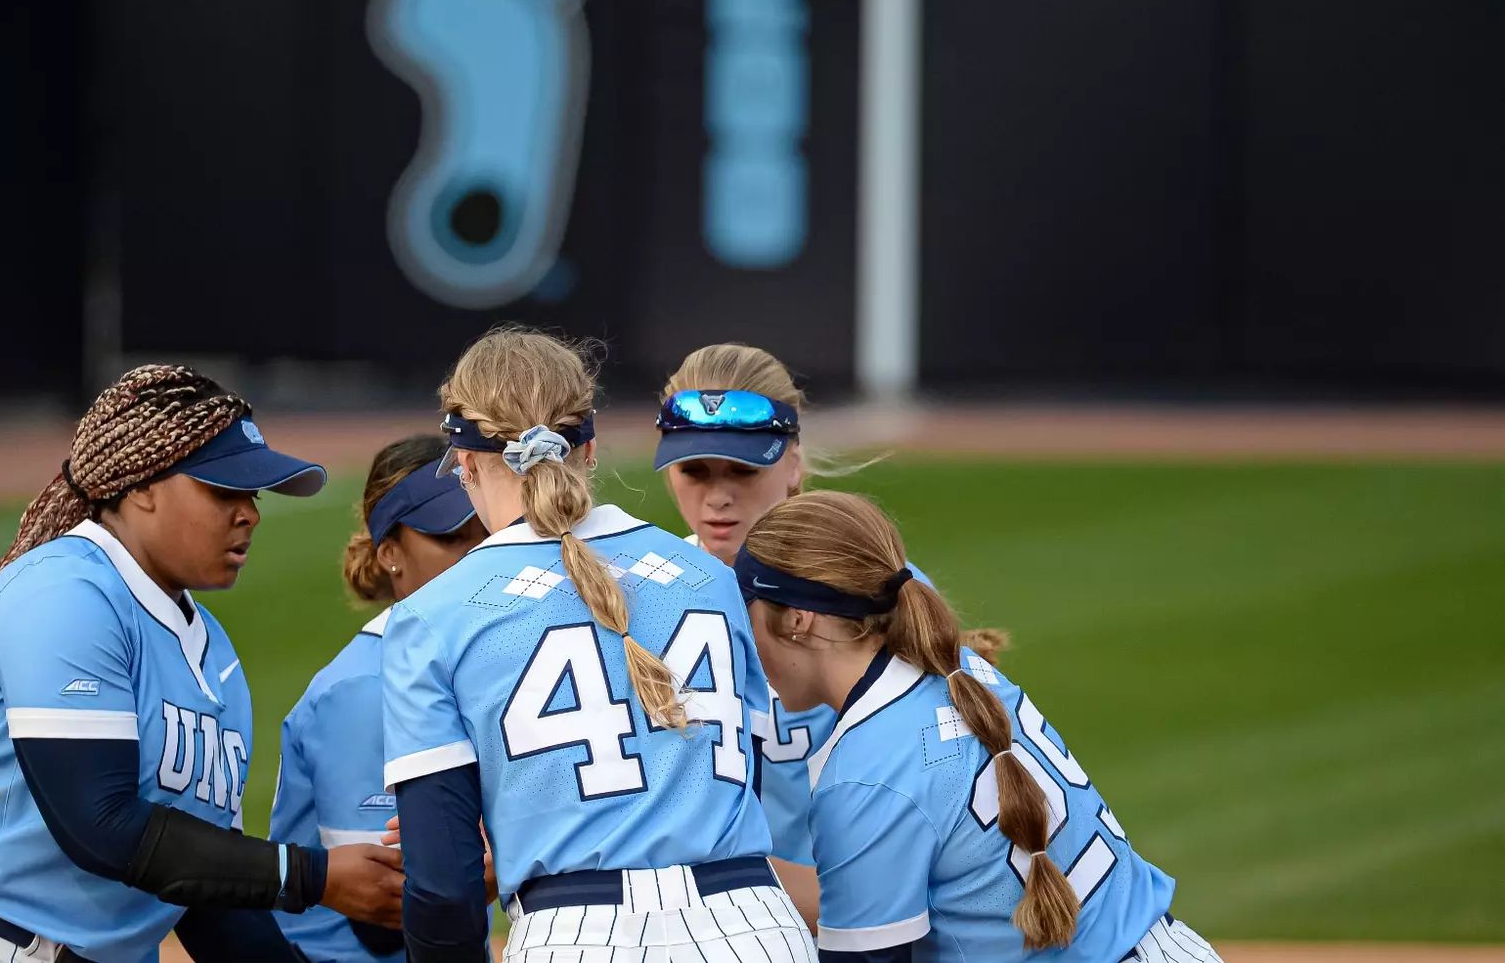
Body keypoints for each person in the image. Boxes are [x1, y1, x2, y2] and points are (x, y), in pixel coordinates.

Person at [0, 365, 403, 963]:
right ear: (142, 486)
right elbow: (99, 824)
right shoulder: (64, 591)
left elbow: (204, 898)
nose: (250, 513)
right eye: (223, 490)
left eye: (252, 495)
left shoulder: (214, 654)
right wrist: (312, 875)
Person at [381, 328, 814, 963]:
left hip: (576, 934)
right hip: (755, 927)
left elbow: (444, 888)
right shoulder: (713, 580)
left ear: (466, 463)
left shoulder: (429, 616)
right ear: (588, 449)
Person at [736, 491, 1218, 962]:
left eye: (746, 612)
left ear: (798, 620)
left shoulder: (865, 772)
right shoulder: (959, 668)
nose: (741, 636)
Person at [653, 343, 938, 931]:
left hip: (879, 915)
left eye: (742, 469)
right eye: (694, 470)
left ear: (794, 464)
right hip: (722, 931)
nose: (717, 496)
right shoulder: (646, 605)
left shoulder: (874, 593)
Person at [273, 434, 489, 963]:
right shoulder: (364, 693)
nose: (474, 558)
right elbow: (389, 909)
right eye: (450, 538)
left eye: (484, 535)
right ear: (390, 554)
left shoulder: (468, 662)